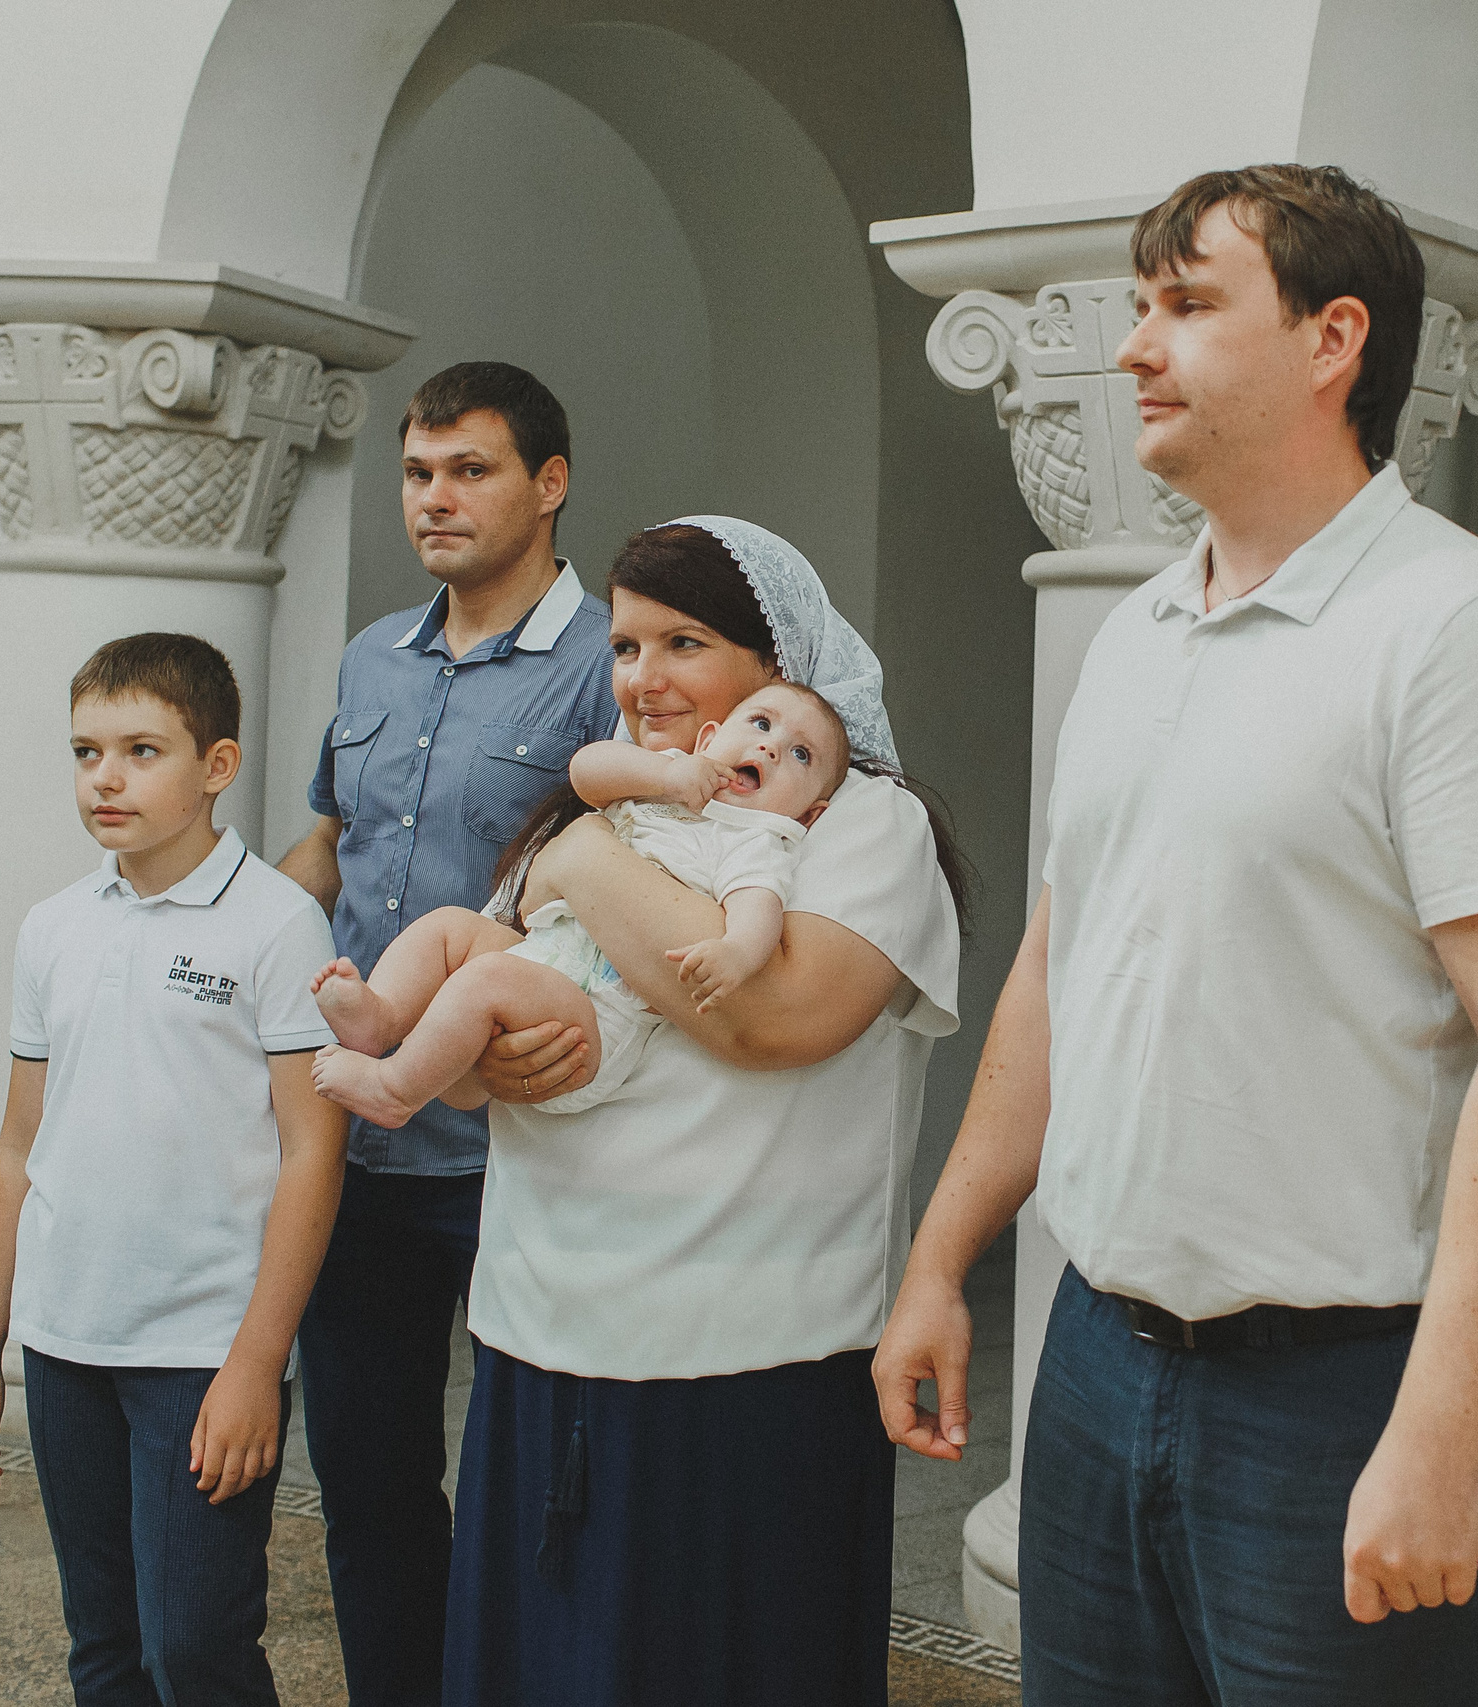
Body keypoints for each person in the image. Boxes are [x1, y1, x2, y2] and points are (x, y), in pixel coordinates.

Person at [873, 164, 1478, 1706]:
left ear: (1333, 338)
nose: (1135, 346)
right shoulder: (1144, 632)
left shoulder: (1460, 630)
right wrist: (941, 1254)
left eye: (1188, 305)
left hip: (1344, 1390)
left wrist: (1440, 1430)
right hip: (1100, 1359)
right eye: (1140, 307)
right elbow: (1060, 967)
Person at [441, 518, 971, 1707]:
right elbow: (484, 1013)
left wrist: (576, 862)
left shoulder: (859, 826)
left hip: (746, 1363)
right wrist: (494, 1061)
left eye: (684, 641)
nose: (645, 678)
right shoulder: (620, 812)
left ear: (781, 665)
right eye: (626, 646)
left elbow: (771, 1018)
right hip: (545, 1333)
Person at [274, 361, 618, 1707]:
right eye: (418, 472)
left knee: (545, 1482)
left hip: (520, 1142)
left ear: (549, 482)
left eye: (469, 468)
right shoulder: (373, 654)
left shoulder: (611, 664)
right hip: (360, 1154)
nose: (435, 497)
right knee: (366, 1483)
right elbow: (328, 847)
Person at [0, 633, 345, 1707]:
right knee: (105, 1647)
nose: (104, 779)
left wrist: (257, 1365)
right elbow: (18, 1148)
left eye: (139, 750)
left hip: (200, 1352)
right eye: (85, 753)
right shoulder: (53, 930)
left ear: (218, 766)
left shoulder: (277, 926)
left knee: (196, 1649)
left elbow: (314, 1152)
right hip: (67, 1341)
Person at [305, 680, 853, 1130]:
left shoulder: (755, 840)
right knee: (450, 927)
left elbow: (758, 907)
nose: (770, 747)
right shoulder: (664, 781)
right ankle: (380, 1016)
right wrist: (666, 771)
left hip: (596, 1018)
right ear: (710, 737)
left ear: (807, 815)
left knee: (488, 979)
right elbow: (587, 771)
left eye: (800, 754)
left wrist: (736, 952)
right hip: (543, 954)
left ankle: (395, 1090)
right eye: (759, 723)